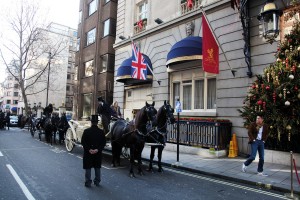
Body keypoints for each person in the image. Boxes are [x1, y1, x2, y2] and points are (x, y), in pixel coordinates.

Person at [81, 115, 106, 187]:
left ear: (91, 122)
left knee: (88, 167)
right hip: (97, 153)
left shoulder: (86, 131)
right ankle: (97, 181)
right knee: (97, 167)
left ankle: (88, 182)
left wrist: (89, 149)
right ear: (97, 123)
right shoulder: (101, 132)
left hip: (88, 153)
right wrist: (97, 149)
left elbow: (83, 142)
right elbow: (103, 143)